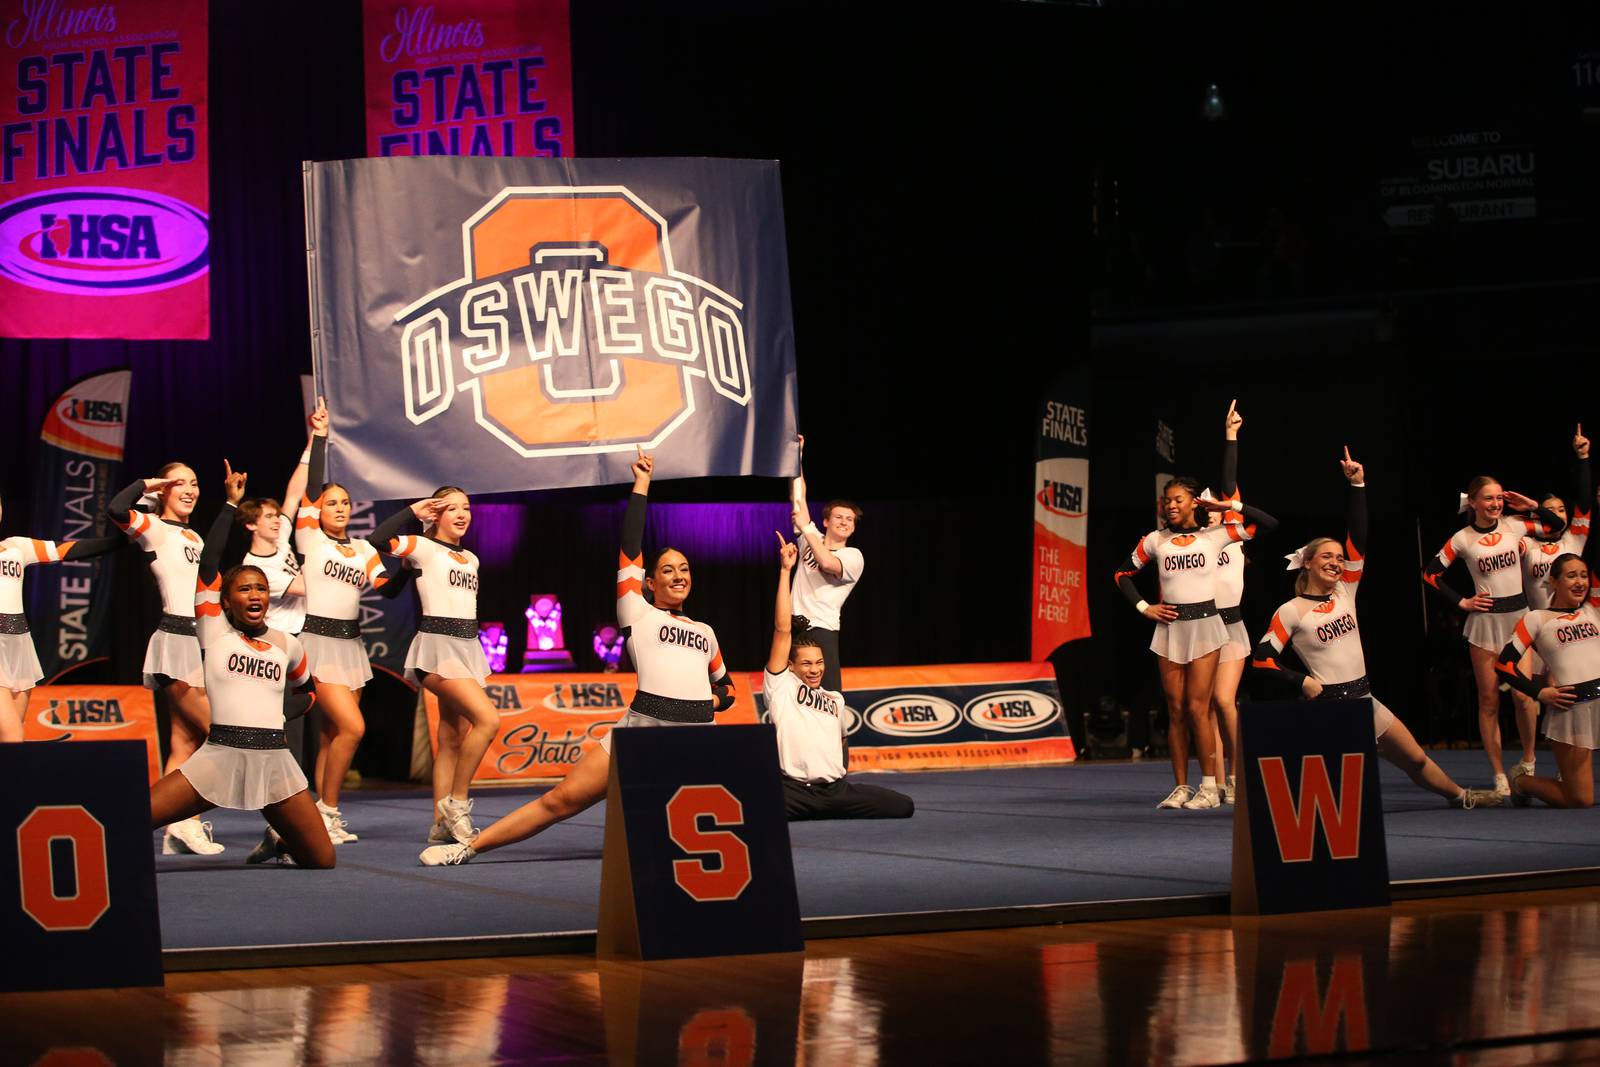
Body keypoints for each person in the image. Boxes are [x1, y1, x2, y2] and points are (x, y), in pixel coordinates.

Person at [419, 449, 734, 865]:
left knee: (676, 826)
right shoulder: (636, 611)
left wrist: (705, 703)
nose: (679, 576)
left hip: (694, 735)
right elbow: (630, 544)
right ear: (649, 581)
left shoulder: (706, 633)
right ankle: (467, 847)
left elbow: (726, 691)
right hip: (640, 727)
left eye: (685, 569)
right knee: (560, 800)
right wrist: (642, 484)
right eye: (669, 570)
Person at [1253, 449, 1500, 809]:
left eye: (1339, 558)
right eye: (1327, 556)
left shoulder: (1345, 590)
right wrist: (1302, 681)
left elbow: (1359, 537)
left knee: (1415, 758)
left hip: (1364, 699)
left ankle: (1462, 797)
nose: (1337, 562)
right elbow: (1261, 660)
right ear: (1307, 562)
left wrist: (1358, 485)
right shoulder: (1290, 611)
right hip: (1331, 707)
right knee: (1341, 784)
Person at [146, 460, 333, 869]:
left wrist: (279, 715)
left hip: (275, 764)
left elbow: (307, 693)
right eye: (244, 589)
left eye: (261, 589)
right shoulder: (213, 631)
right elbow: (208, 565)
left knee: (323, 860)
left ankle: (279, 841)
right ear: (225, 601)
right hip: (222, 758)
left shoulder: (288, 645)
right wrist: (230, 505)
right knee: (128, 820)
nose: (254, 595)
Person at [294, 403, 434, 843]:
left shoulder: (363, 550)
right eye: (331, 502)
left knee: (333, 735)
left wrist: (410, 567)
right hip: (317, 641)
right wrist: (319, 436)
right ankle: (329, 809)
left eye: (345, 503)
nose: (338, 507)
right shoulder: (310, 537)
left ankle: (320, 816)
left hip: (352, 648)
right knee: (353, 728)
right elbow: (312, 487)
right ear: (319, 510)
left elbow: (386, 590)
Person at [1114, 475, 1271, 810]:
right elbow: (1121, 575)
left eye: (1178, 500)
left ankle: (1210, 787)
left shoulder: (1214, 537)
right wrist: (1145, 607)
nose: (1171, 505)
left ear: (1193, 503)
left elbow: (1268, 524)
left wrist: (1228, 506)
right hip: (1171, 629)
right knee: (1176, 710)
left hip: (1206, 626)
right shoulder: (1155, 541)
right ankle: (1181, 787)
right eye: (1166, 500)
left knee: (1201, 708)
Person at [108, 462, 224, 855]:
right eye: (180, 483)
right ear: (164, 491)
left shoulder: (193, 534)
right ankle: (173, 818)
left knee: (185, 740)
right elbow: (115, 509)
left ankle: (176, 826)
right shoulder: (153, 527)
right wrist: (147, 485)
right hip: (173, 639)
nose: (190, 489)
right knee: (224, 733)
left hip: (194, 639)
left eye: (195, 482)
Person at [1423, 475, 1558, 793]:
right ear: (1473, 502)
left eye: (1499, 498)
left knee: (1524, 697)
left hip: (1517, 623)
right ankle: (1499, 774)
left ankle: (1527, 761)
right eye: (1488, 498)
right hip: (1484, 626)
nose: (1496, 503)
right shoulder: (1462, 539)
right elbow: (1430, 575)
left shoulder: (1514, 525)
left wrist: (1532, 506)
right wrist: (1462, 601)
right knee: (1489, 701)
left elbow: (1554, 528)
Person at [768, 531, 912, 820]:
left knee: (903, 805)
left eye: (819, 663)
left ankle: (831, 804)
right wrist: (786, 571)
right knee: (755, 809)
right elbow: (783, 630)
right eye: (807, 663)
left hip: (835, 792)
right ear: (792, 667)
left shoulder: (834, 699)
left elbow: (841, 741)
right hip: (794, 792)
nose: (815, 669)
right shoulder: (781, 685)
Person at [389, 483, 498, 846]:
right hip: (434, 649)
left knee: (452, 739)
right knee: (488, 720)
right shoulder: (423, 547)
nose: (462, 513)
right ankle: (457, 804)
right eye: (452, 508)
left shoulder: (472, 559)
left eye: (466, 507)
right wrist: (412, 513)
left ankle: (440, 822)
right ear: (437, 515)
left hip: (467, 648)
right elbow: (377, 539)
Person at [0, 495, 124, 742]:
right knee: (12, 736)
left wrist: (123, 540)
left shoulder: (16, 547)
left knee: (13, 740)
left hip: (18, 644)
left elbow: (64, 549)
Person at [1210, 399, 1278, 803]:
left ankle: (1239, 773)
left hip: (1230, 625)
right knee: (1205, 708)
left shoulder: (1233, 532)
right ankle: (1215, 782)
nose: (1212, 511)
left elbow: (1231, 485)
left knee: (1223, 700)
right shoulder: (1199, 540)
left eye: (1216, 506)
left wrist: (1230, 436)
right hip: (1199, 626)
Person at [1496, 551, 1600, 808]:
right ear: (1553, 581)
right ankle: (1521, 782)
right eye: (1571, 576)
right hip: (1572, 709)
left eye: (1584, 576)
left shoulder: (1592, 609)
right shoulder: (1536, 619)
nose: (1580, 582)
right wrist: (1539, 693)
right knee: (1579, 799)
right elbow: (1503, 664)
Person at [790, 436, 864, 695]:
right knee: (793, 694)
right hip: (793, 627)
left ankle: (838, 737)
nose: (844, 522)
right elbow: (799, 500)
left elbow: (826, 561)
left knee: (829, 697)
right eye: (839, 517)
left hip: (822, 629)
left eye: (850, 520)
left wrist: (806, 526)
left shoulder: (853, 556)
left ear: (853, 527)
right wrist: (795, 456)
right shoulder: (810, 538)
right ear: (826, 522)